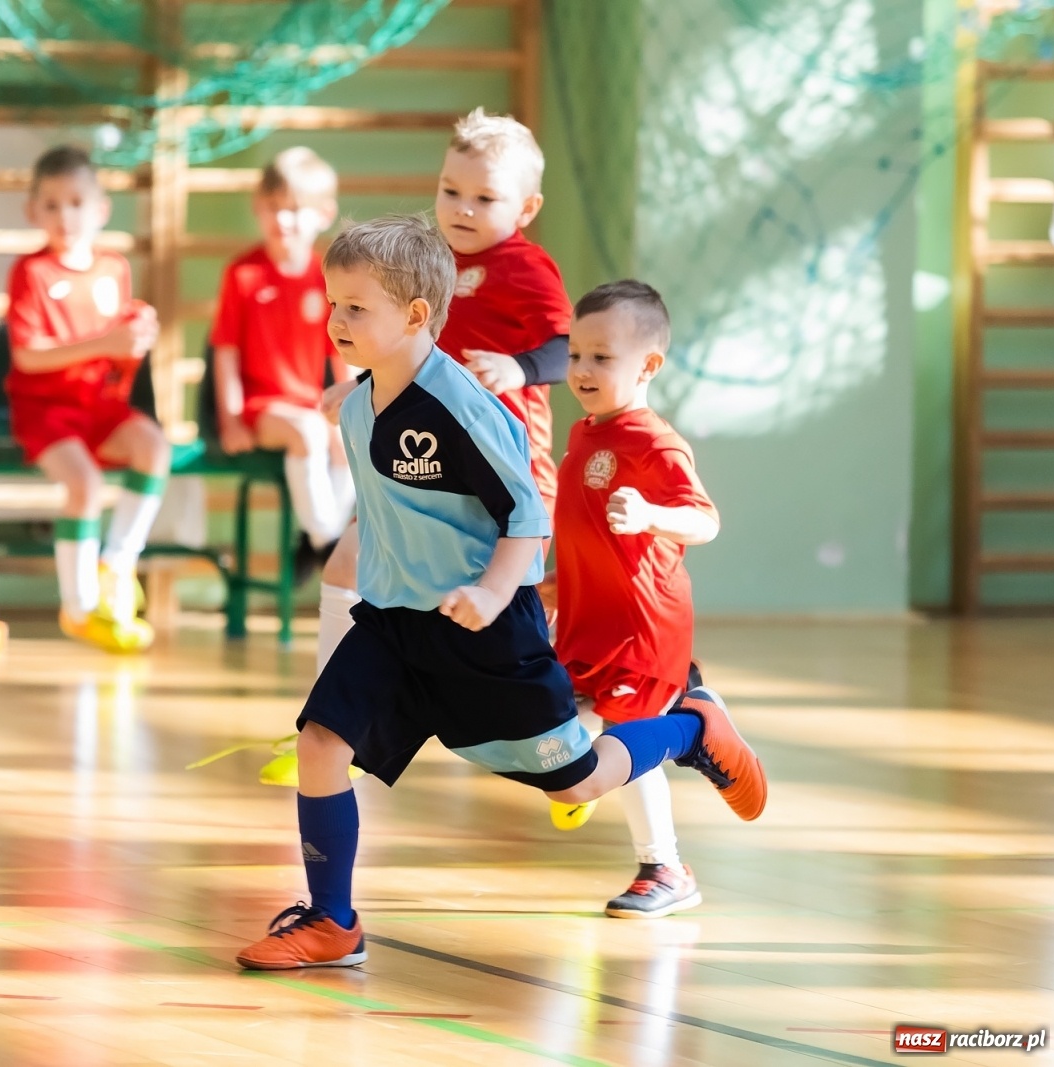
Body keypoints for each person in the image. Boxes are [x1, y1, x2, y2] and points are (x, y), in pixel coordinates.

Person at [233, 216, 766, 971]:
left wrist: (488, 593)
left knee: (577, 778)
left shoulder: (462, 409)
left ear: (416, 317)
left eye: (356, 307)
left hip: (484, 631)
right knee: (321, 743)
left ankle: (687, 726)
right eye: (333, 301)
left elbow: (527, 514)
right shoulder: (358, 405)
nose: (336, 319)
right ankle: (332, 919)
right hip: (394, 625)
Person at [316, 107, 571, 674]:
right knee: (345, 568)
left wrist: (519, 368)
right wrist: (362, 386)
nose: (462, 208)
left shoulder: (526, 268)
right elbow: (413, 355)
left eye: (485, 198)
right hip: (415, 466)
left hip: (499, 477)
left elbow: (567, 345)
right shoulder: (425, 263)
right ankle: (326, 718)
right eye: (451, 190)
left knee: (504, 634)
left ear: (526, 209)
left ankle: (629, 740)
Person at [556, 280, 723, 919]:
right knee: (550, 721)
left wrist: (654, 512)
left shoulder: (654, 442)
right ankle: (672, 727)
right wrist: (554, 582)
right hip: (585, 620)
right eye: (575, 354)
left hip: (641, 627)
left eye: (601, 357)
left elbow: (705, 522)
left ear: (648, 365)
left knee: (626, 740)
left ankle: (666, 867)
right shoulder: (585, 435)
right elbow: (586, 530)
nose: (581, 369)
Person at [5, 145, 167, 652]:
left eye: (75, 202)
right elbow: (29, 356)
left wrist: (138, 329)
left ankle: (116, 565)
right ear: (33, 212)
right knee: (86, 485)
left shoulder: (114, 268)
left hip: (100, 408)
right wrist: (106, 344)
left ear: (99, 210)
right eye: (51, 204)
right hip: (44, 412)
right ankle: (77, 607)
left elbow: (119, 340)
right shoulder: (30, 273)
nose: (64, 216)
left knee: (155, 447)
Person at [210, 147, 351, 580]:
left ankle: (316, 539)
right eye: (273, 208)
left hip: (309, 405)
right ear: (258, 207)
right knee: (310, 432)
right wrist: (232, 419)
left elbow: (341, 352)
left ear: (324, 214)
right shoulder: (243, 274)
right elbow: (226, 352)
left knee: (353, 439)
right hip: (261, 409)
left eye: (294, 209)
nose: (282, 220)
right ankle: (326, 538)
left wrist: (351, 410)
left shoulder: (326, 276)